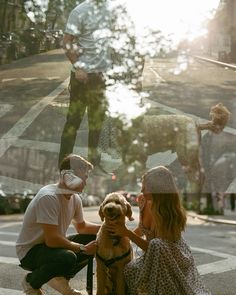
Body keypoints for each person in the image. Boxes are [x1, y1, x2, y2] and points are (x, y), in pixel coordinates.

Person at [107, 166, 212, 295]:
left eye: (145, 187)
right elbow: (141, 229)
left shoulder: (168, 213)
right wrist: (121, 236)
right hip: (153, 255)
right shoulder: (143, 201)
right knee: (130, 269)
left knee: (157, 245)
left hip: (173, 257)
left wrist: (127, 233)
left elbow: (155, 248)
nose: (141, 189)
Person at [16, 154, 100, 295]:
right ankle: (31, 281)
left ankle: (60, 279)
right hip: (30, 251)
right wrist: (83, 249)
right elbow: (52, 240)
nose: (85, 182)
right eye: (83, 177)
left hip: (49, 248)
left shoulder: (75, 199)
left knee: (94, 237)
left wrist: (107, 228)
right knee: (67, 258)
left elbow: (82, 227)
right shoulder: (49, 197)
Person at [58, 0, 112, 169]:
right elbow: (66, 42)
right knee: (73, 121)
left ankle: (93, 163)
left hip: (101, 77)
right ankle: (64, 163)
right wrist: (78, 67)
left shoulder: (111, 11)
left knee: (96, 121)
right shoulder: (79, 11)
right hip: (83, 77)